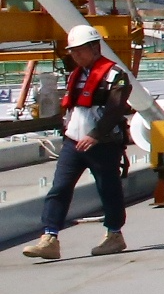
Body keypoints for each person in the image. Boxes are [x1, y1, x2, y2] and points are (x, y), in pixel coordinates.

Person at [21, 21, 131, 261]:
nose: (76, 55)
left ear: (95, 47)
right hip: (74, 142)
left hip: (103, 143)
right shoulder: (75, 75)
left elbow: (115, 109)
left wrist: (95, 135)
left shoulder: (115, 76)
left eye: (80, 50)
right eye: (73, 51)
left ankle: (114, 233)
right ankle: (49, 237)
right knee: (60, 187)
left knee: (108, 188)